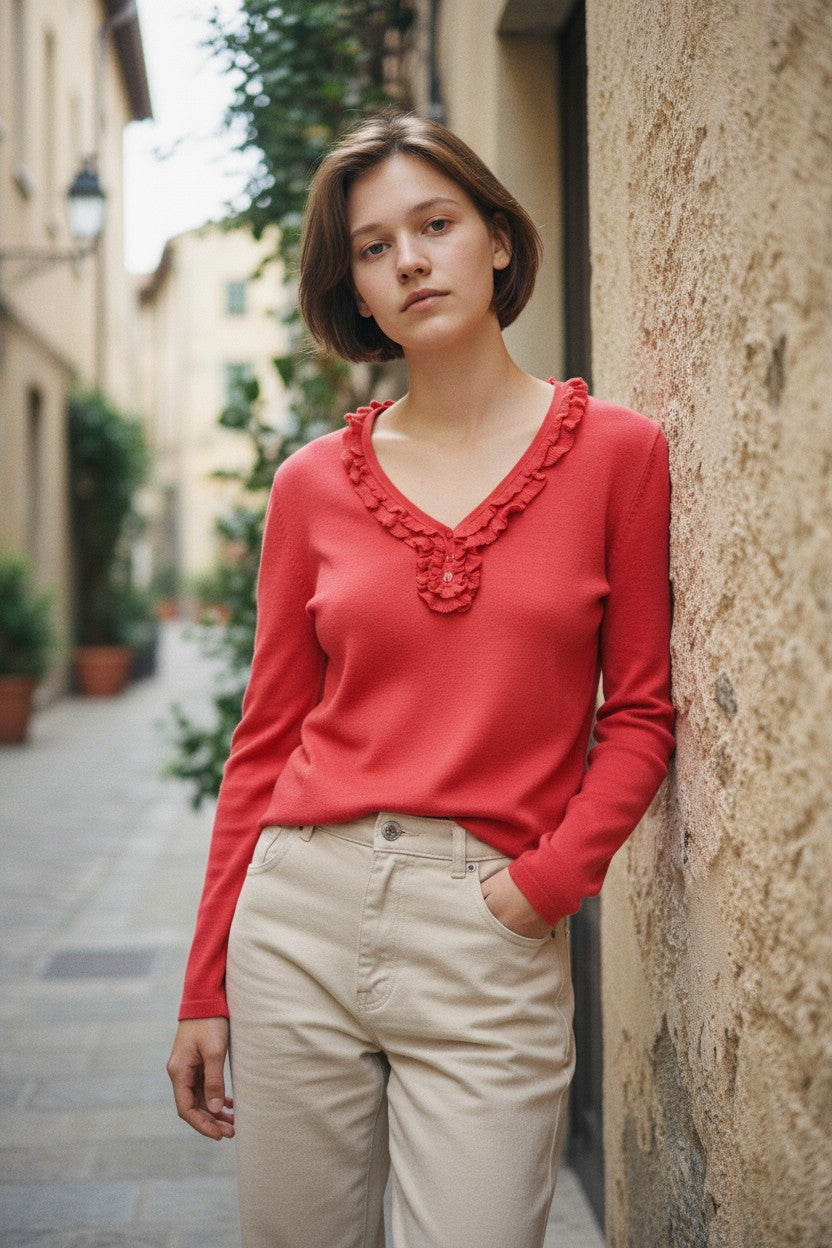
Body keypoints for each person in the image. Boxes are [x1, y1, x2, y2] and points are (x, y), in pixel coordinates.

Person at [167, 111, 675, 1248]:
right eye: (372, 245)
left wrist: (541, 889)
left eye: (435, 224)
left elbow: (642, 714)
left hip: (487, 928)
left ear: (498, 238)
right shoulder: (310, 485)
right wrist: (205, 985)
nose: (408, 259)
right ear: (353, 287)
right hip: (297, 920)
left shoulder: (619, 455)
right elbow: (265, 742)